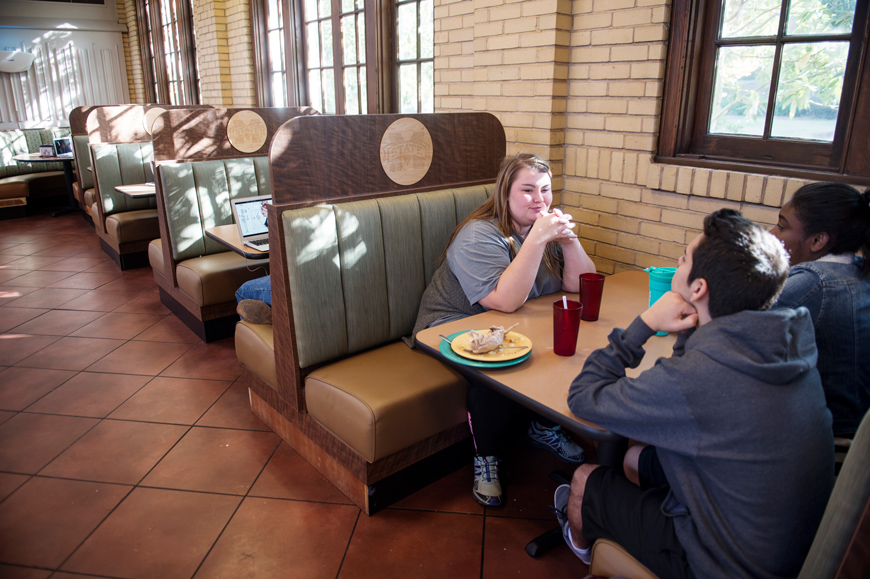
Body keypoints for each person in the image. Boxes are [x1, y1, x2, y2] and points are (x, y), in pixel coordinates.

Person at [554, 209, 833, 578]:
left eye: (683, 259)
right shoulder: (784, 342)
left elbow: (584, 396)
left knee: (585, 480)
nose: (677, 263)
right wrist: (692, 323)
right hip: (780, 546)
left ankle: (588, 551)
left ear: (699, 288)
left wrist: (647, 324)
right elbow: (689, 386)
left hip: (723, 564)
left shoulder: (700, 379)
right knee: (636, 457)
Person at [411, 153, 597, 507]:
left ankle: (542, 427)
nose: (539, 200)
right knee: (494, 373)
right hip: (450, 328)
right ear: (505, 193)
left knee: (565, 345)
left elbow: (578, 285)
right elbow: (505, 300)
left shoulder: (539, 230)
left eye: (545, 190)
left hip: (509, 326)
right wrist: (537, 241)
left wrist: (570, 240)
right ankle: (487, 456)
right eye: (527, 190)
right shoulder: (479, 235)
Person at [769, 182, 870, 437]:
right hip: (855, 431)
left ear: (817, 240)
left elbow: (731, 334)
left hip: (830, 439)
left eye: (782, 226)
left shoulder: (813, 283)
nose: (772, 233)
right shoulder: (857, 269)